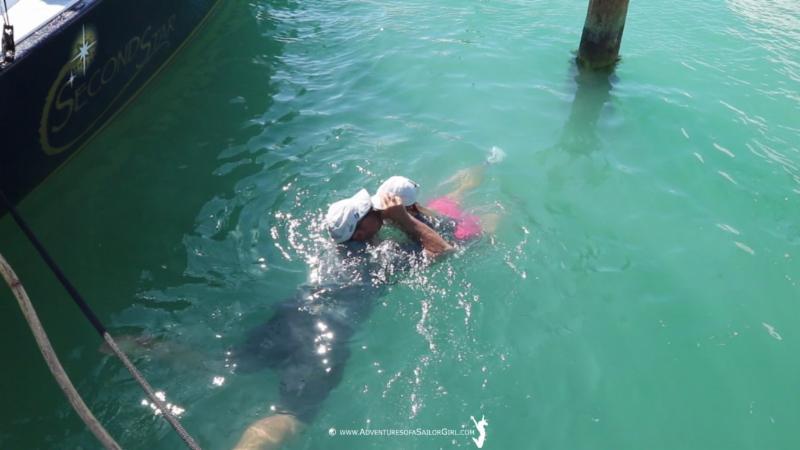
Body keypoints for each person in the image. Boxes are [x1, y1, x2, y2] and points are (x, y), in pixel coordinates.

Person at [232, 189, 452, 450]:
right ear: (359, 233)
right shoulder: (379, 259)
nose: (374, 208)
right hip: (322, 339)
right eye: (368, 212)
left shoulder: (330, 249)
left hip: (291, 315)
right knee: (291, 418)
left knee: (222, 363)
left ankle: (169, 349)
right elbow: (442, 251)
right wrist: (403, 219)